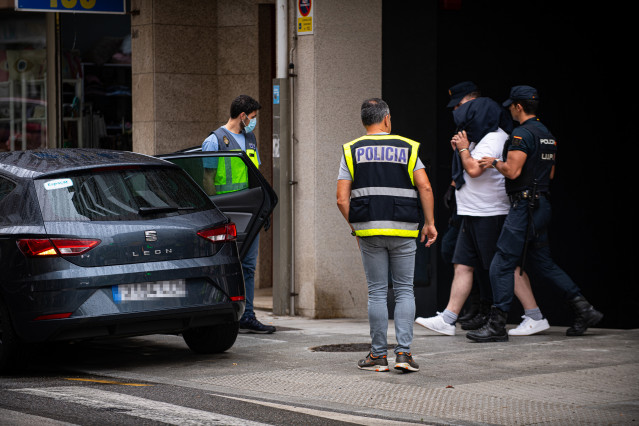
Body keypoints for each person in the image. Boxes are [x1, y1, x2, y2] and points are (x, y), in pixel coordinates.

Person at [467, 85, 603, 342]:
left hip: (525, 207)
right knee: (543, 263)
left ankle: (496, 325)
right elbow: (550, 174)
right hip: (542, 205)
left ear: (518, 106)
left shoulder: (521, 134)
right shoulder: (547, 134)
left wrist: (494, 162)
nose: (509, 109)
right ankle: (584, 309)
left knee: (501, 262)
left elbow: (512, 171)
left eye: (511, 105)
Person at [336, 98, 437, 373]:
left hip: (369, 231)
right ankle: (403, 355)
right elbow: (425, 187)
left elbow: (341, 199)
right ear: (387, 119)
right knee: (405, 290)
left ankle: (378, 356)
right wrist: (429, 223)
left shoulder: (351, 150)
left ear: (364, 120)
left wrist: (355, 227)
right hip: (404, 229)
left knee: (377, 293)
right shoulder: (408, 147)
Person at [415, 94, 515, 335]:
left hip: (490, 213)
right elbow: (467, 162)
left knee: (499, 268)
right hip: (472, 213)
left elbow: (472, 170)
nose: (465, 126)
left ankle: (515, 317)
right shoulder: (481, 139)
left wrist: (462, 149)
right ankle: (448, 319)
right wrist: (461, 148)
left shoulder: (494, 138)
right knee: (462, 266)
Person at [202, 94, 276, 334]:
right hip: (226, 213)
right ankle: (223, 313)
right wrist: (215, 215)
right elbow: (208, 181)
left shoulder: (250, 138)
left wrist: (263, 210)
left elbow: (256, 175)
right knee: (224, 265)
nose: (254, 122)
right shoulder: (214, 141)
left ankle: (249, 316)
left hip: (249, 213)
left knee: (249, 267)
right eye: (252, 117)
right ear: (243, 116)